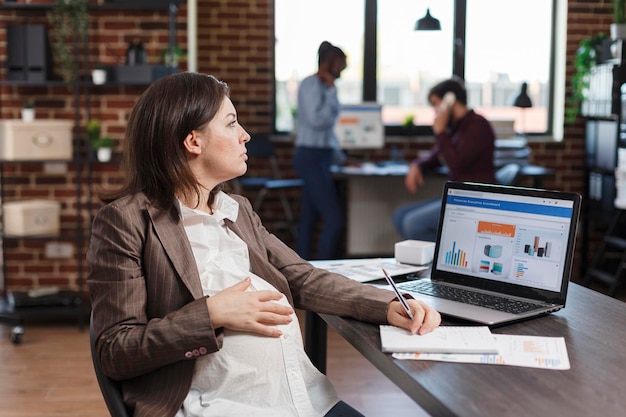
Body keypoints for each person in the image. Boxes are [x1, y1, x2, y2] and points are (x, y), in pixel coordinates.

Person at [87, 72, 441, 417]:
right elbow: (115, 350)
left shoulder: (237, 210)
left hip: (304, 399)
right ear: (193, 141)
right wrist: (211, 315)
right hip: (214, 406)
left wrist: (389, 303)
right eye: (231, 123)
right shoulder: (127, 221)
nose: (245, 135)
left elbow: (303, 278)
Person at [392, 77, 496, 242]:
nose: (435, 111)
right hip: (457, 195)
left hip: (474, 198)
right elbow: (435, 157)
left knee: (413, 224)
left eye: (436, 104)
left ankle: (442, 262)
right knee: (400, 215)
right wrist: (416, 165)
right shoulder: (455, 127)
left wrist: (440, 131)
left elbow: (456, 164)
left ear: (450, 101)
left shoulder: (477, 125)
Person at [293, 41, 347, 260]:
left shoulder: (326, 87)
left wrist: (342, 158)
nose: (343, 70)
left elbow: (328, 135)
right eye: (341, 65)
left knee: (310, 218)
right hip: (309, 156)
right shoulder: (310, 85)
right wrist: (333, 92)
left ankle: (301, 266)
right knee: (334, 219)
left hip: (322, 156)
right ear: (330, 62)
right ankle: (325, 268)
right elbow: (317, 121)